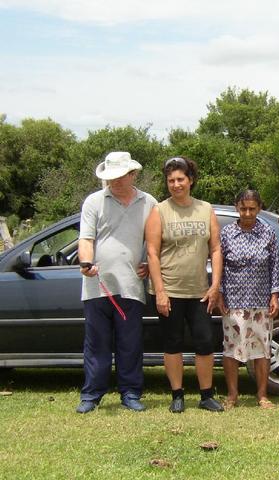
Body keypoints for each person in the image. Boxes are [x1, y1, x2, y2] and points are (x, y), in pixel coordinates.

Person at [76, 151, 157, 414]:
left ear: (133, 174)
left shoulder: (149, 203)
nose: (114, 182)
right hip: (97, 287)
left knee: (130, 344)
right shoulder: (94, 202)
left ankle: (131, 393)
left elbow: (155, 243)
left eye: (119, 177)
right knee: (96, 343)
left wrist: (148, 262)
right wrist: (86, 264)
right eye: (110, 177)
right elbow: (86, 239)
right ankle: (91, 395)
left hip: (132, 286)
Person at [145, 156, 224, 413]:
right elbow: (152, 253)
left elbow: (215, 248)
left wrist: (215, 285)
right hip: (170, 290)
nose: (176, 184)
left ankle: (206, 395)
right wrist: (160, 292)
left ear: (190, 180)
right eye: (171, 180)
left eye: (180, 179)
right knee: (172, 343)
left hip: (200, 291)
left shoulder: (205, 209)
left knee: (204, 343)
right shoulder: (159, 210)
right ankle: (177, 395)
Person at [219, 190, 279, 410]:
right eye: (243, 208)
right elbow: (219, 265)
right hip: (233, 300)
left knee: (262, 348)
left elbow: (274, 265)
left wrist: (275, 294)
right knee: (232, 348)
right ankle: (232, 395)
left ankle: (262, 395)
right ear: (237, 207)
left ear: (259, 209)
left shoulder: (267, 232)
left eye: (252, 209)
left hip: (261, 299)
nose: (247, 213)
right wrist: (219, 293)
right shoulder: (226, 233)